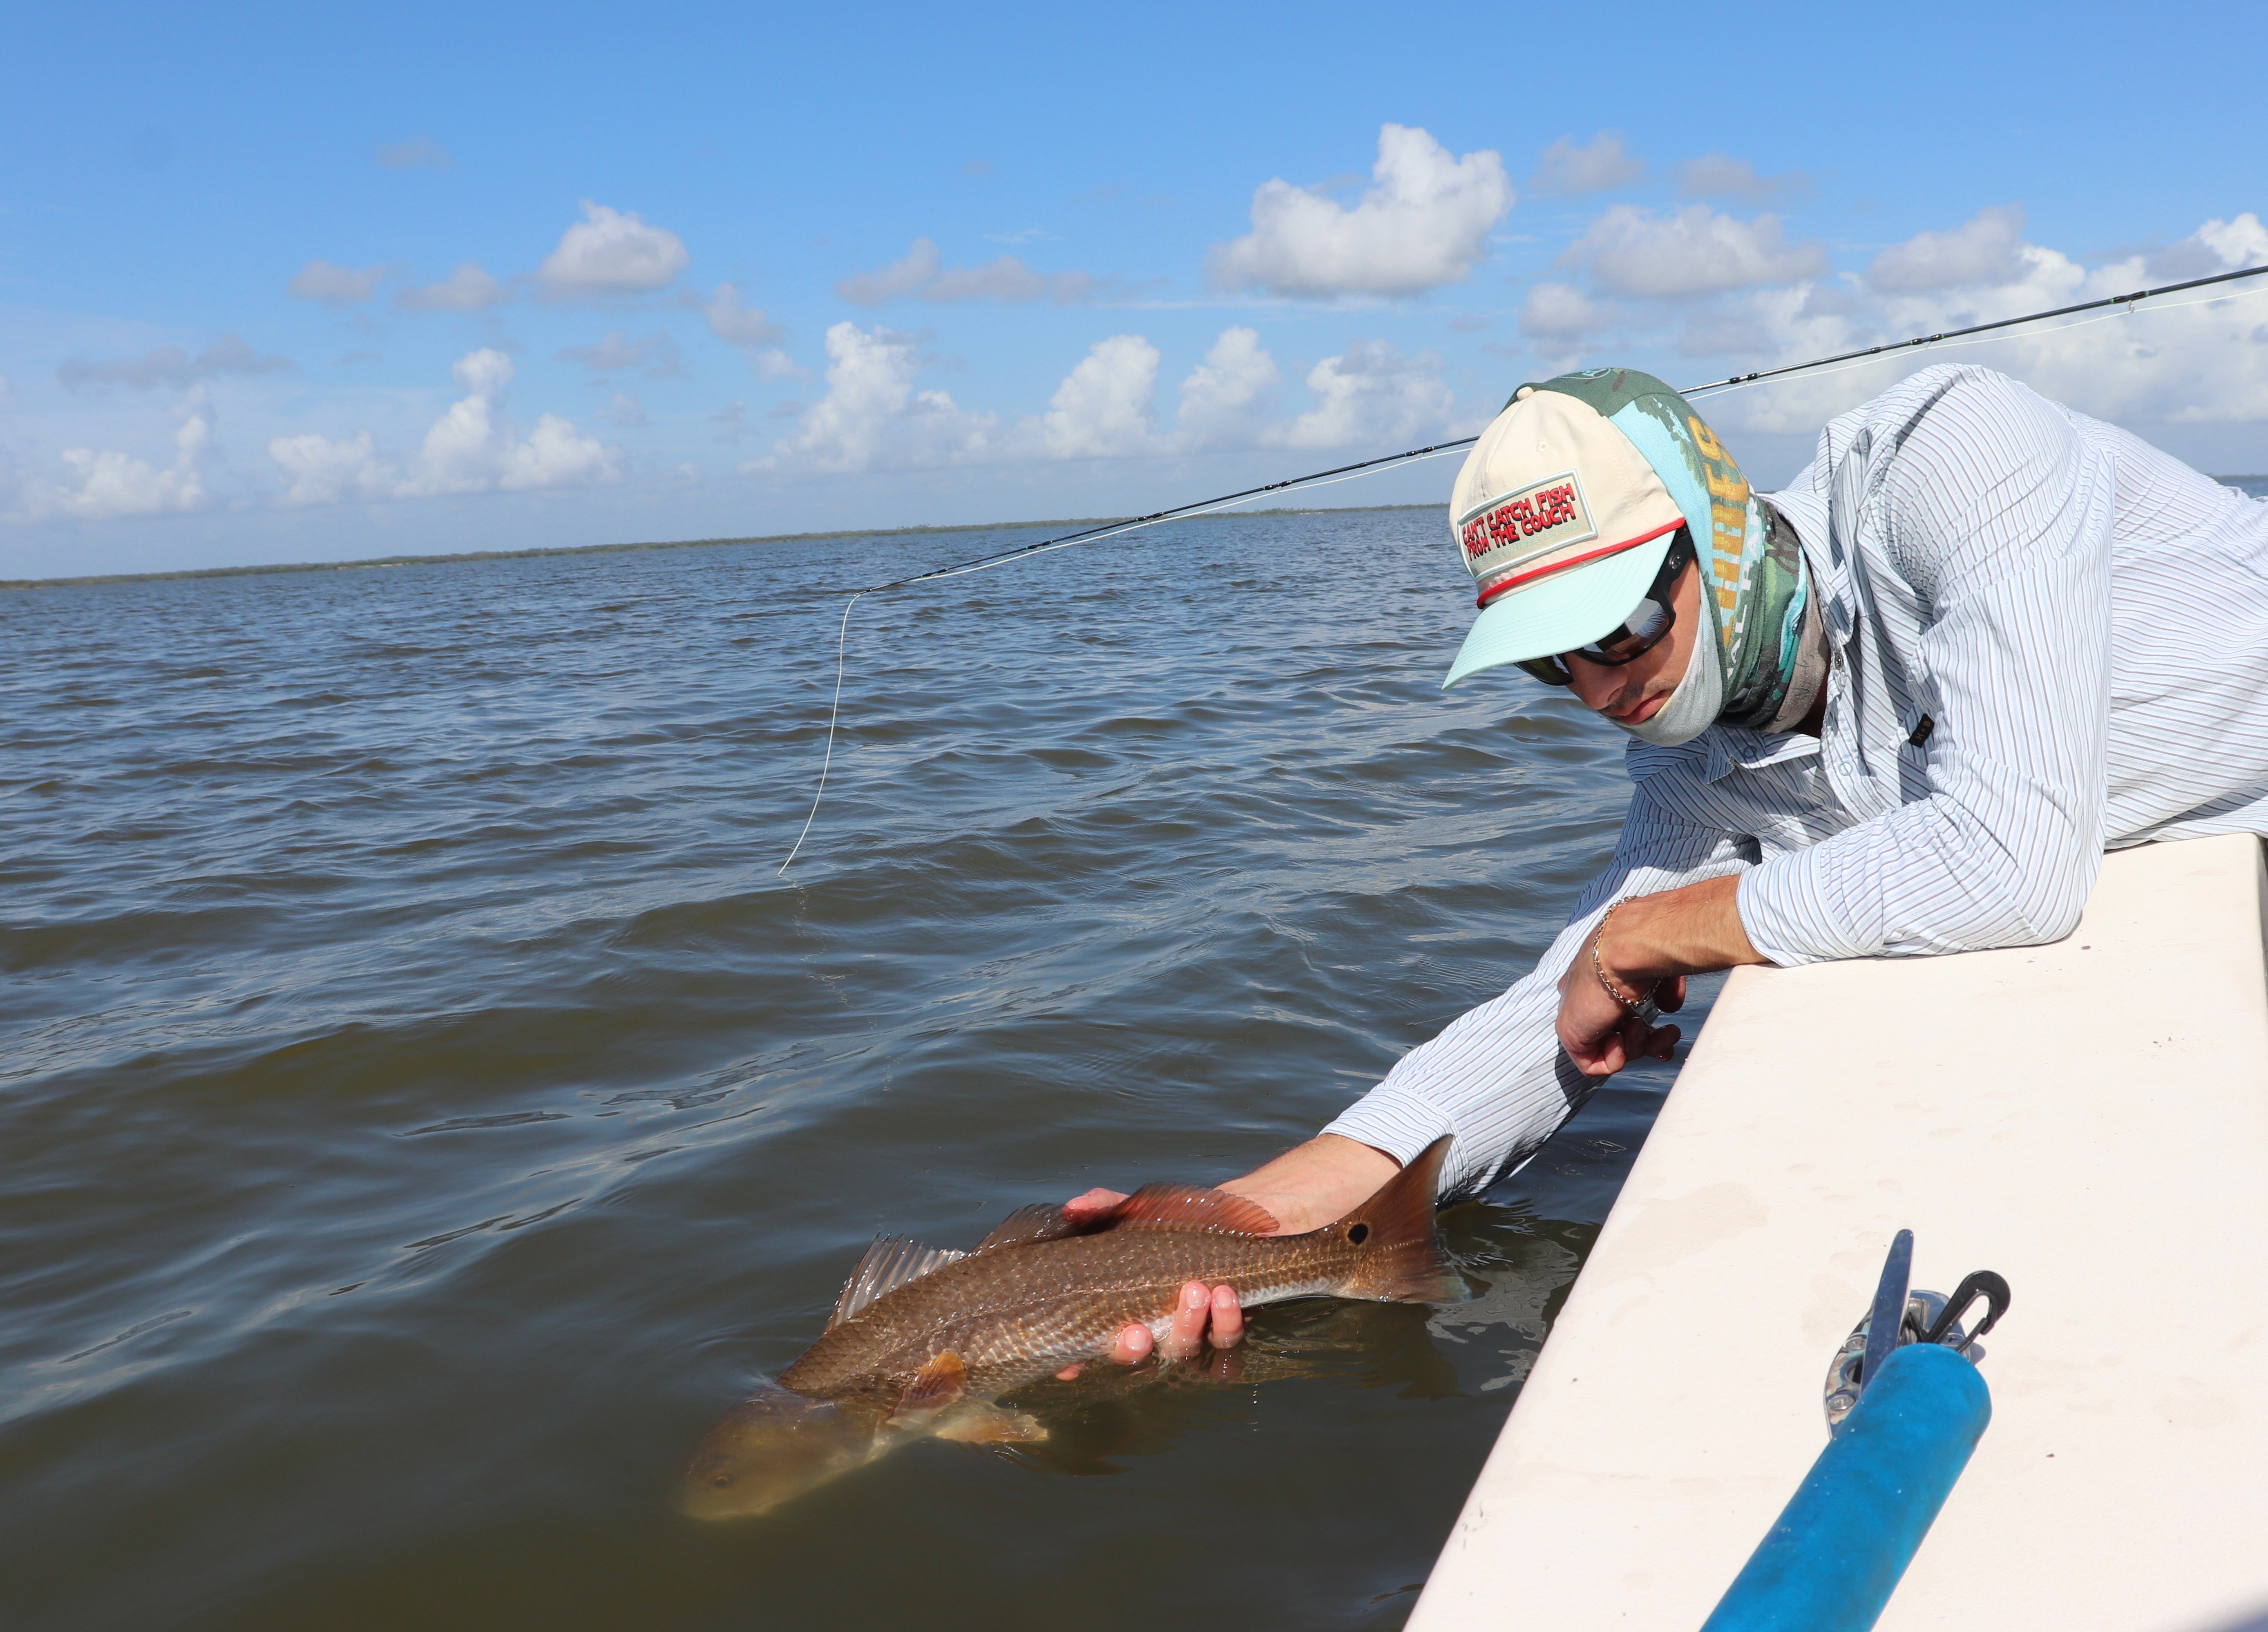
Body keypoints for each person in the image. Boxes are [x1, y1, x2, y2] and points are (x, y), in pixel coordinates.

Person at [1060, 362, 2268, 1369]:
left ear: (1717, 522)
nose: (1600, 688)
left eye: (1620, 621)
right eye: (1551, 661)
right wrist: (1241, 1221)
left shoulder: (1958, 454)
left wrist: (1654, 931)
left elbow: (2012, 856)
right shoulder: (1695, 765)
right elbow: (1550, 1012)